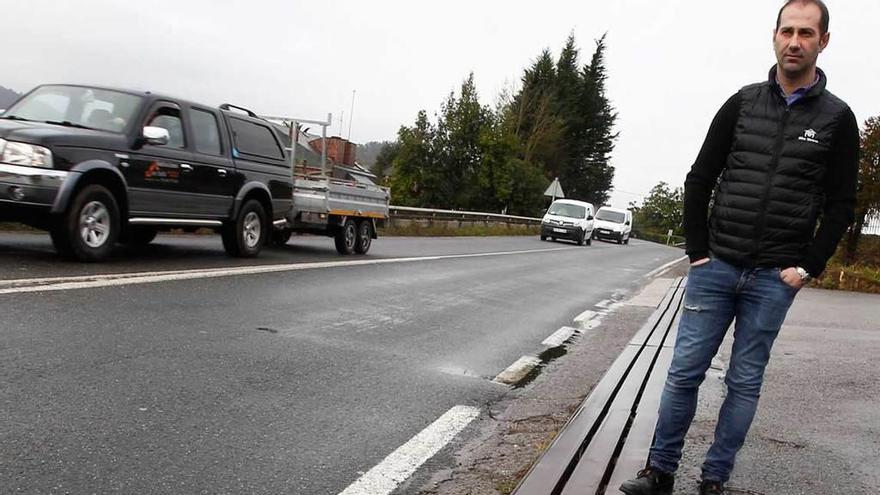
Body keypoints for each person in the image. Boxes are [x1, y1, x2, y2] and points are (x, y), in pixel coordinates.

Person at [620, 1, 859, 494]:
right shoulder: (743, 103)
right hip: (717, 266)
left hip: (774, 278)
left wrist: (807, 268)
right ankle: (659, 472)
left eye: (806, 33)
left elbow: (840, 204)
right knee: (685, 372)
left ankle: (714, 479)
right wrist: (697, 249)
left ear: (823, 42)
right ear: (774, 37)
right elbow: (700, 176)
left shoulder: (838, 119)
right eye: (787, 31)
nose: (795, 41)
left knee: (744, 382)